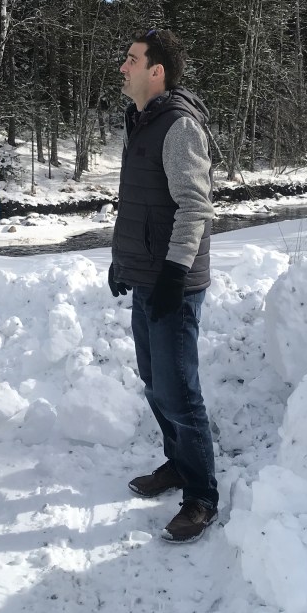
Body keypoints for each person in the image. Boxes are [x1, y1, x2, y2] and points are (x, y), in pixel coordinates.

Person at [108, 29, 218, 543]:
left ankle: (201, 497)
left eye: (131, 59)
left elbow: (195, 206)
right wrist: (121, 261)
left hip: (174, 281)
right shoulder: (142, 121)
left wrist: (175, 271)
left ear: (157, 71)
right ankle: (178, 462)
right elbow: (138, 203)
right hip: (147, 276)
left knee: (179, 392)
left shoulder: (179, 126)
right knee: (154, 381)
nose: (122, 67)